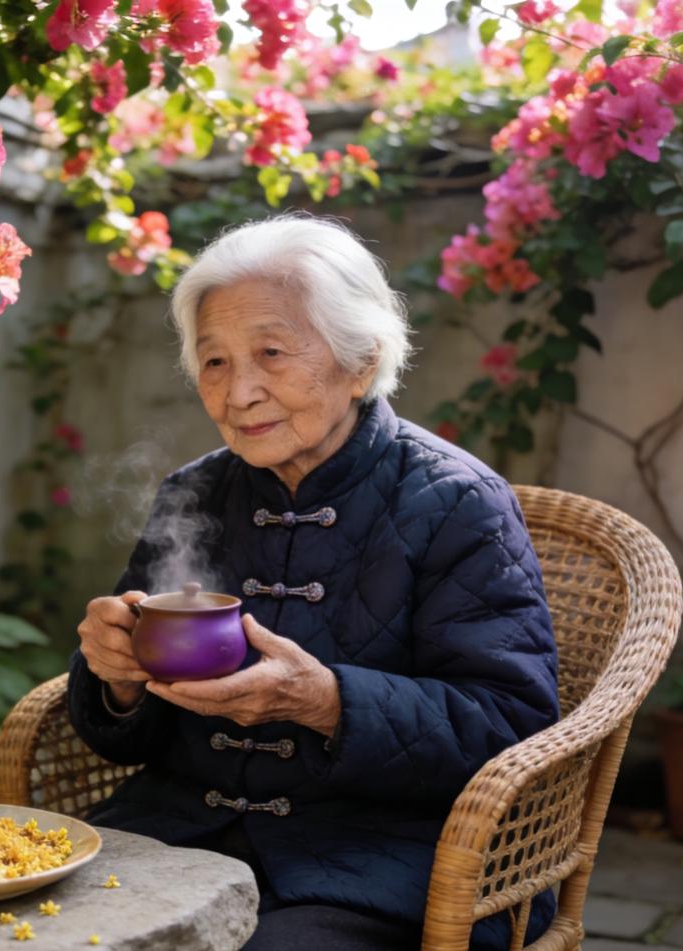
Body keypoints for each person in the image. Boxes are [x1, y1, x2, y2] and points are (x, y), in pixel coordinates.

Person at [67, 215, 559, 950]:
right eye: (215, 362)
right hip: (175, 836)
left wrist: (329, 702)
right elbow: (121, 725)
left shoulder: (458, 501)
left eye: (271, 352)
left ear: (360, 360)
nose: (240, 394)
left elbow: (510, 722)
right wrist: (118, 678)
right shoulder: (194, 492)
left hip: (376, 860)